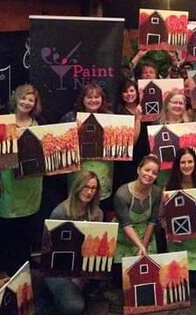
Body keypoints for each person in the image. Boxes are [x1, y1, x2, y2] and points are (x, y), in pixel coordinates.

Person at [0, 84, 44, 275]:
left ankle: (25, 263)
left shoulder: (39, 124)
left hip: (32, 184)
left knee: (28, 227)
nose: (26, 102)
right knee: (9, 229)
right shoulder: (3, 123)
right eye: (23, 98)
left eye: (31, 100)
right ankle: (9, 268)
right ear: (16, 98)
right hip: (8, 183)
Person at [45, 171, 103, 315]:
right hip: (58, 268)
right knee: (74, 307)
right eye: (85, 187)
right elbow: (50, 252)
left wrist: (83, 275)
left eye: (93, 188)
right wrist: (73, 277)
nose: (89, 192)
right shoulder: (60, 213)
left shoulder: (97, 213)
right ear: (77, 187)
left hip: (83, 266)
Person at [164, 149, 196, 289]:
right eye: (183, 162)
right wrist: (169, 232)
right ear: (177, 164)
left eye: (190, 161)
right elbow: (162, 216)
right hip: (179, 243)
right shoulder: (169, 185)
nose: (187, 165)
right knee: (178, 282)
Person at [62, 83, 114, 211]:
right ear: (83, 99)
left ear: (102, 99)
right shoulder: (70, 118)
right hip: (78, 172)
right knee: (78, 204)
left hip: (103, 171)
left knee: (100, 206)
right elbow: (62, 146)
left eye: (97, 97)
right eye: (89, 97)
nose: (93, 100)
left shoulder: (110, 118)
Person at [113, 155, 162, 262]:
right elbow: (126, 225)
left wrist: (143, 247)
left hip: (146, 238)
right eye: (147, 170)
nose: (150, 174)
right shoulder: (122, 193)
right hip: (124, 239)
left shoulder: (157, 192)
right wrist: (140, 246)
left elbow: (152, 222)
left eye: (154, 173)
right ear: (138, 170)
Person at [114, 79, 144, 187]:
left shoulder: (146, 109)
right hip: (128, 159)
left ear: (137, 92)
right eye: (125, 91)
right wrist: (137, 119)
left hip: (145, 154)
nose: (129, 94)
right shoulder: (119, 114)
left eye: (131, 91)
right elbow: (131, 142)